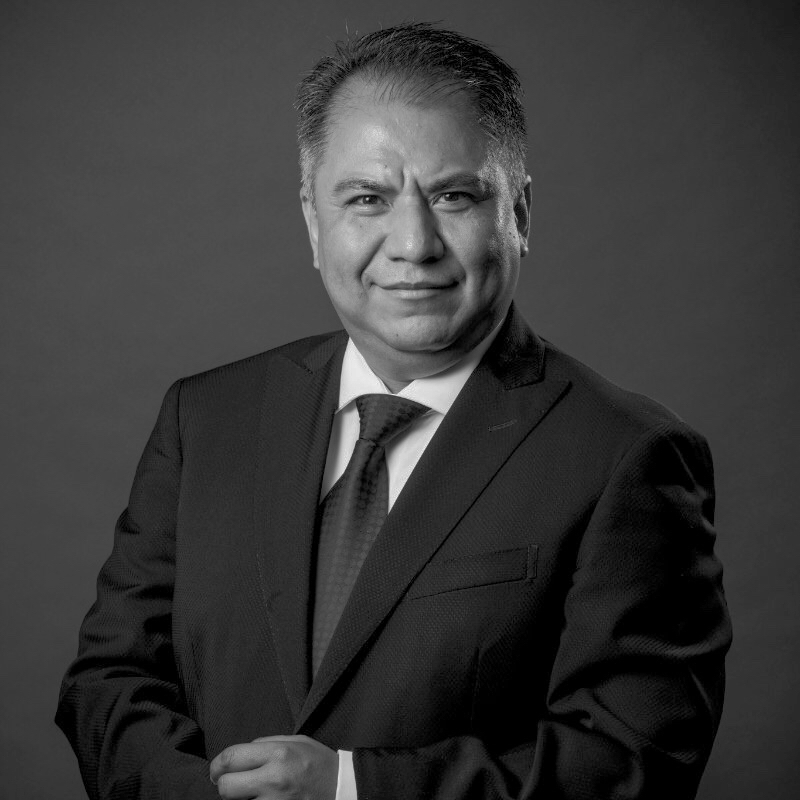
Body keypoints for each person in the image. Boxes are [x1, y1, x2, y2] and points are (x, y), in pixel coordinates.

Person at [56, 22, 732, 800]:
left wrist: (348, 788)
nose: (413, 243)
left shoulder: (626, 456)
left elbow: (633, 761)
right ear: (313, 221)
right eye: (367, 199)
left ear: (519, 214)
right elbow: (109, 683)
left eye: (453, 196)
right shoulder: (206, 419)